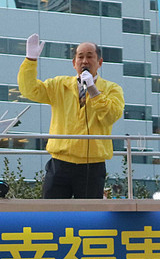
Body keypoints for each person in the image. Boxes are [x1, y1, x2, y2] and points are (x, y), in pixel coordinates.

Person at [18, 34, 124, 199]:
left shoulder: (112, 89)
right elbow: (30, 90)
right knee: (52, 214)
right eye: (80, 57)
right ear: (74, 63)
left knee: (89, 217)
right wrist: (30, 61)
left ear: (100, 62)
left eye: (90, 56)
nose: (84, 61)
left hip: (92, 165)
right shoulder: (59, 85)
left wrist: (93, 90)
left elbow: (111, 115)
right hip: (60, 162)